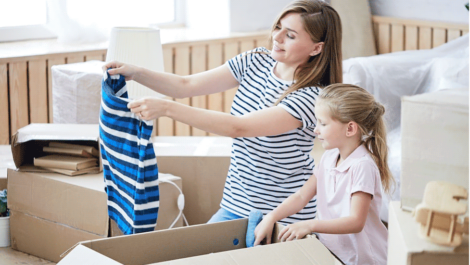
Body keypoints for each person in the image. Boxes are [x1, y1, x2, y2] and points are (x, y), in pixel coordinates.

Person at [102, 0, 342, 225]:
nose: (276, 37)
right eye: (278, 27)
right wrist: (136, 72)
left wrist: (166, 108)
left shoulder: (312, 97)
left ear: (316, 48)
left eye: (290, 35)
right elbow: (186, 85)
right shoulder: (255, 60)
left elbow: (239, 127)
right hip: (234, 204)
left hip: (283, 215)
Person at [254, 84, 392, 265]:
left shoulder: (363, 166)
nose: (315, 129)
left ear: (350, 129)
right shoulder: (329, 157)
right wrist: (271, 217)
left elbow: (356, 221)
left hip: (363, 259)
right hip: (335, 254)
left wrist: (310, 225)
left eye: (323, 123)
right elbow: (301, 195)